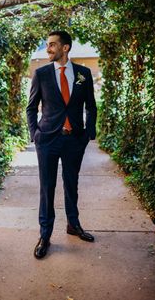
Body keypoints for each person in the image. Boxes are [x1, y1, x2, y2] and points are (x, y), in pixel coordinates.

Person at [26, 30, 97, 259]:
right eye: (47, 45)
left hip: (74, 139)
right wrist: (34, 134)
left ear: (65, 48)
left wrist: (88, 133)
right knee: (47, 187)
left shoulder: (83, 74)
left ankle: (73, 225)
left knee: (71, 184)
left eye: (52, 45)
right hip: (47, 139)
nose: (48, 49)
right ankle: (45, 235)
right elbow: (31, 107)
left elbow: (91, 106)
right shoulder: (42, 73)